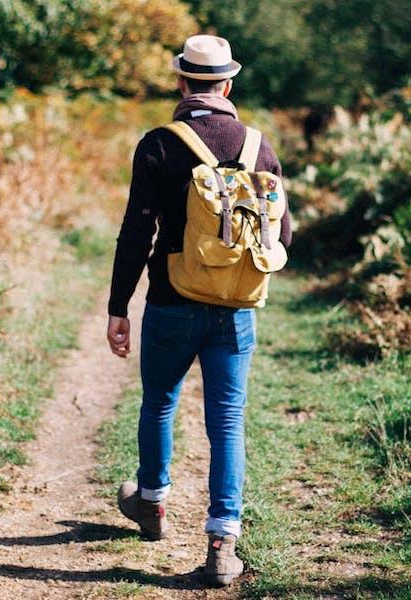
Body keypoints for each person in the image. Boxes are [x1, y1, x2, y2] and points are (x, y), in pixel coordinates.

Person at [105, 34, 292, 587]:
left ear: (182, 82)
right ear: (228, 84)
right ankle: (221, 543)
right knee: (227, 421)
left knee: (160, 402)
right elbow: (283, 232)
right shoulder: (259, 146)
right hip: (235, 309)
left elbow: (136, 231)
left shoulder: (160, 143)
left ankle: (151, 503)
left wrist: (119, 306)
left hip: (169, 301)